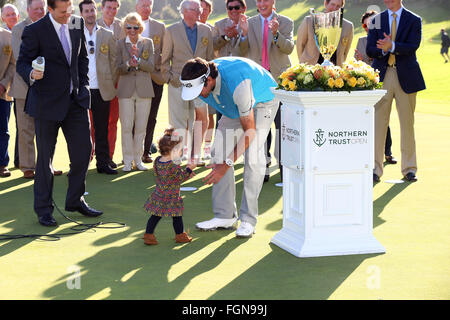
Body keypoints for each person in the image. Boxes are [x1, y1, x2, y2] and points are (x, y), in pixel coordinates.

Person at [16, 0, 103, 226]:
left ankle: (75, 200)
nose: (68, 15)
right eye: (63, 12)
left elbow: (82, 57)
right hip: (46, 103)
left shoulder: (76, 23)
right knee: (45, 159)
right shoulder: (34, 31)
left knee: (85, 150)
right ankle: (44, 210)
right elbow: (22, 63)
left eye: (70, 10)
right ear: (50, 9)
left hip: (76, 101)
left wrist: (83, 84)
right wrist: (32, 75)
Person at [180, 57, 278, 237]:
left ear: (208, 80)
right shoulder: (198, 86)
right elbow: (201, 120)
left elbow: (249, 131)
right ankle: (225, 216)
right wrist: (193, 159)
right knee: (218, 152)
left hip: (264, 100)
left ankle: (248, 220)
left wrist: (226, 165)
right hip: (233, 105)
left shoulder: (238, 84)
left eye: (199, 90)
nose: (198, 95)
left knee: (253, 157)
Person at [367, 0, 426, 183]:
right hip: (382, 76)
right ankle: (375, 169)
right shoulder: (376, 20)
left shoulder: (414, 19)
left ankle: (409, 169)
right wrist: (383, 50)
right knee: (378, 124)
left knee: (407, 124)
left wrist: (392, 46)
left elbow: (413, 46)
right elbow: (370, 49)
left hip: (406, 78)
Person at [239, 0, 294, 183]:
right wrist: (244, 34)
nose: (262, 3)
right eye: (259, 0)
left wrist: (276, 33)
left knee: (281, 126)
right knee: (261, 126)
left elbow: (289, 48)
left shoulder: (285, 22)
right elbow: (241, 50)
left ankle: (284, 166)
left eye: (265, 0)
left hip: (279, 81)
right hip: (257, 82)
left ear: (273, 2)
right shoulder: (249, 22)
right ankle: (263, 167)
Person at [10, 0, 64, 179]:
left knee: (48, 129)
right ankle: (27, 166)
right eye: (36, 9)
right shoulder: (19, 29)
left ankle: (47, 164)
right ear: (28, 10)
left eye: (43, 8)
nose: (40, 11)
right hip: (25, 86)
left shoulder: (54, 26)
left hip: (50, 88)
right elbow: (20, 57)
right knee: (26, 129)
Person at [160, 0, 214, 164]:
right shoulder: (171, 30)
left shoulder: (206, 30)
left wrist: (208, 81)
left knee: (200, 119)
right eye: (196, 9)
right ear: (184, 11)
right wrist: (172, 79)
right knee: (179, 121)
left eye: (199, 9)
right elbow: (164, 61)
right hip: (178, 84)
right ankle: (180, 153)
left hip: (201, 86)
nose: (199, 11)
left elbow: (210, 58)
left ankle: (195, 155)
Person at [80, 0, 118, 175]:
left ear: (97, 11)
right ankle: (80, 164)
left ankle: (102, 163)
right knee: (80, 128)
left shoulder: (107, 34)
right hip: (81, 88)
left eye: (92, 10)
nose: (90, 13)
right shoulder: (75, 33)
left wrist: (109, 81)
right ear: (81, 13)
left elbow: (114, 62)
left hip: (101, 89)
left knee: (102, 128)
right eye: (86, 11)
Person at [354, 10, 397, 166]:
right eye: (365, 25)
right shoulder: (361, 40)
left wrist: (366, 60)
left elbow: (385, 60)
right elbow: (358, 65)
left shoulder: (386, 39)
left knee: (383, 118)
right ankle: (368, 153)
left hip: (384, 81)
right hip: (366, 85)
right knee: (367, 118)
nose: (368, 27)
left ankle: (388, 153)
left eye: (372, 23)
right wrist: (363, 60)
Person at [143, 127, 195, 245]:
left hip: (159, 193)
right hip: (171, 196)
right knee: (177, 216)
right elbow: (179, 178)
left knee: (155, 216)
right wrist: (189, 169)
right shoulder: (173, 165)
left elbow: (160, 175)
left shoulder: (157, 160)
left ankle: (148, 235)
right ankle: (180, 236)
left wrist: (186, 173)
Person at [116, 12, 154, 172]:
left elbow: (151, 66)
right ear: (125, 28)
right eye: (129, 27)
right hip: (126, 90)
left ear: (140, 28)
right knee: (126, 127)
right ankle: (127, 161)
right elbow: (118, 68)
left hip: (144, 90)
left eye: (136, 27)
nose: (132, 30)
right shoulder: (119, 44)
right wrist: (128, 63)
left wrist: (138, 60)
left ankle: (138, 160)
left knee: (141, 127)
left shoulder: (148, 42)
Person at [136, 0, 165, 164]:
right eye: (143, 5)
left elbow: (166, 50)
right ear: (136, 7)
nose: (146, 8)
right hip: (134, 77)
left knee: (151, 116)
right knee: (134, 116)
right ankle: (134, 151)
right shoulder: (129, 24)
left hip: (155, 77)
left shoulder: (160, 27)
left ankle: (146, 151)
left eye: (149, 5)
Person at [98, 0, 125, 169]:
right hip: (97, 81)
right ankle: (93, 154)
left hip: (117, 80)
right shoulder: (92, 24)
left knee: (112, 120)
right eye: (109, 7)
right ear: (102, 8)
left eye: (115, 8)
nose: (112, 11)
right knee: (93, 122)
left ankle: (109, 155)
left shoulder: (123, 27)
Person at [296, 0, 353, 67]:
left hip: (336, 72)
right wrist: (304, 63)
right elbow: (300, 45)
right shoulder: (309, 21)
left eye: (338, 6)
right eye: (332, 4)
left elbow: (345, 53)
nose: (335, 8)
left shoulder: (348, 26)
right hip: (311, 68)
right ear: (326, 3)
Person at [0, 26, 15, 178]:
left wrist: (4, 84)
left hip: (2, 92)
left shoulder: (8, 36)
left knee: (3, 131)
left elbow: (13, 63)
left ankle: (2, 164)